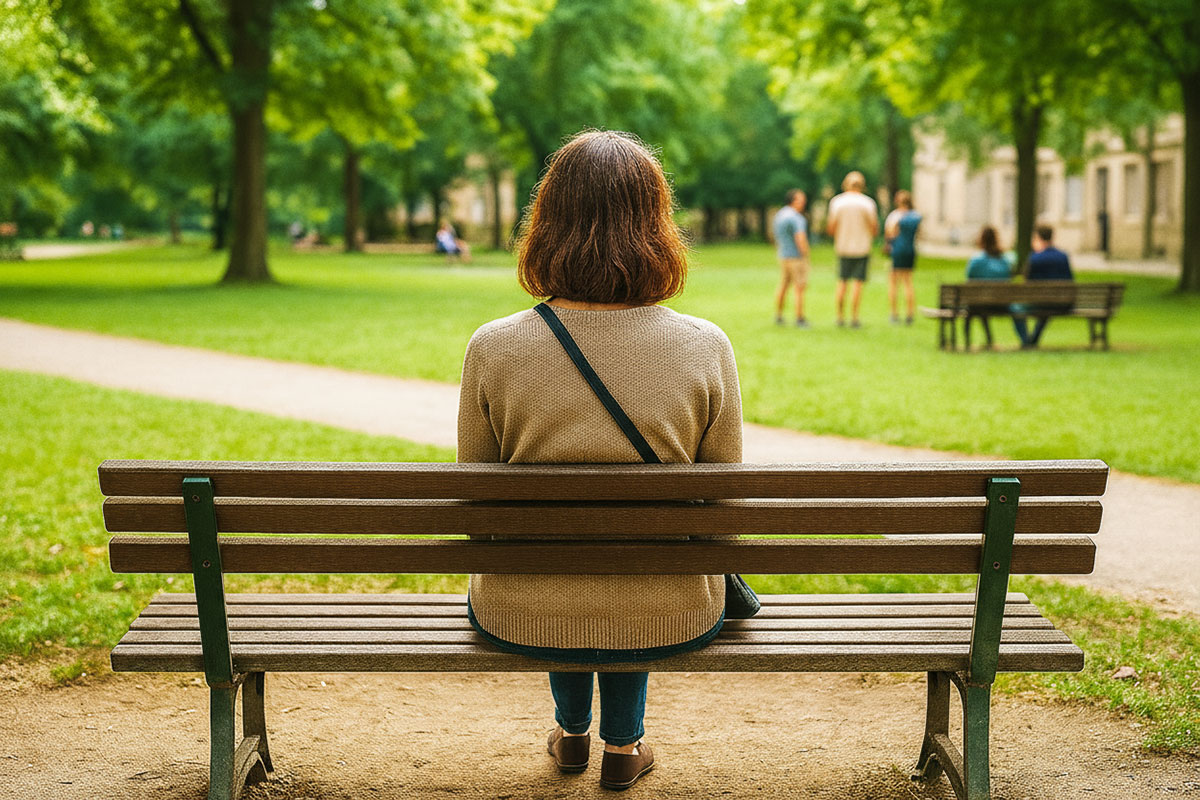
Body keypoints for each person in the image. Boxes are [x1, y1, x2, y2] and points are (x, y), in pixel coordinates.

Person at [457, 130, 742, 791]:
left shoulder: (493, 348)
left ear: (546, 223)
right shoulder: (704, 346)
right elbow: (725, 504)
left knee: (569, 559)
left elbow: (476, 509)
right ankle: (625, 746)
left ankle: (571, 734)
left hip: (521, 602)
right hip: (671, 602)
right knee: (633, 563)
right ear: (656, 225)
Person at [826, 171, 879, 327]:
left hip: (843, 247)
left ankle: (840, 317)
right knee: (857, 284)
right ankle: (854, 318)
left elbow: (831, 228)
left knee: (842, 282)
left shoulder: (837, 202)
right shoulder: (868, 203)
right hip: (862, 248)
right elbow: (874, 228)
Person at [1013, 224, 1074, 348]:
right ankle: (1033, 339)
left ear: (1038, 238)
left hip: (1041, 302)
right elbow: (1070, 279)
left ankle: (1026, 341)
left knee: (1016, 308)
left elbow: (1027, 282)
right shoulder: (1063, 257)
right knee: (1046, 307)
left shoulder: (1035, 258)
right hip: (1062, 303)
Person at [964, 226, 1013, 347]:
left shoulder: (976, 260)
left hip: (980, 303)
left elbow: (969, 277)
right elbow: (1008, 277)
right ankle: (990, 340)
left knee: (975, 307)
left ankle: (967, 342)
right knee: (981, 306)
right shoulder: (1005, 260)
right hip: (1001, 304)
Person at [772, 189, 811, 327]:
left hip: (783, 256)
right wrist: (806, 255)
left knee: (783, 285)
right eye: (800, 200)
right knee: (799, 287)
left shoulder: (780, 215)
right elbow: (800, 238)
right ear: (793, 201)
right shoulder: (797, 217)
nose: (803, 203)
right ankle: (800, 318)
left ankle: (779, 315)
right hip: (796, 257)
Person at [883, 190, 922, 324]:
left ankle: (894, 313)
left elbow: (890, 233)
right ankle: (910, 314)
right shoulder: (916, 216)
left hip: (897, 250)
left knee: (894, 283)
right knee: (908, 282)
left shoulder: (895, 216)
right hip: (910, 250)